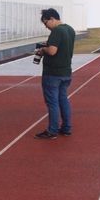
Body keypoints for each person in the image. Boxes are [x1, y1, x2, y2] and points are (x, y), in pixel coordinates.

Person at [34, 8, 76, 140]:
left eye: (46, 23)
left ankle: (52, 130)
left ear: (52, 19)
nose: (46, 27)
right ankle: (66, 128)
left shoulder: (57, 31)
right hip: (66, 71)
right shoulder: (70, 29)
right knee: (63, 100)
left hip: (53, 73)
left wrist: (42, 49)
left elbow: (52, 51)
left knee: (52, 102)